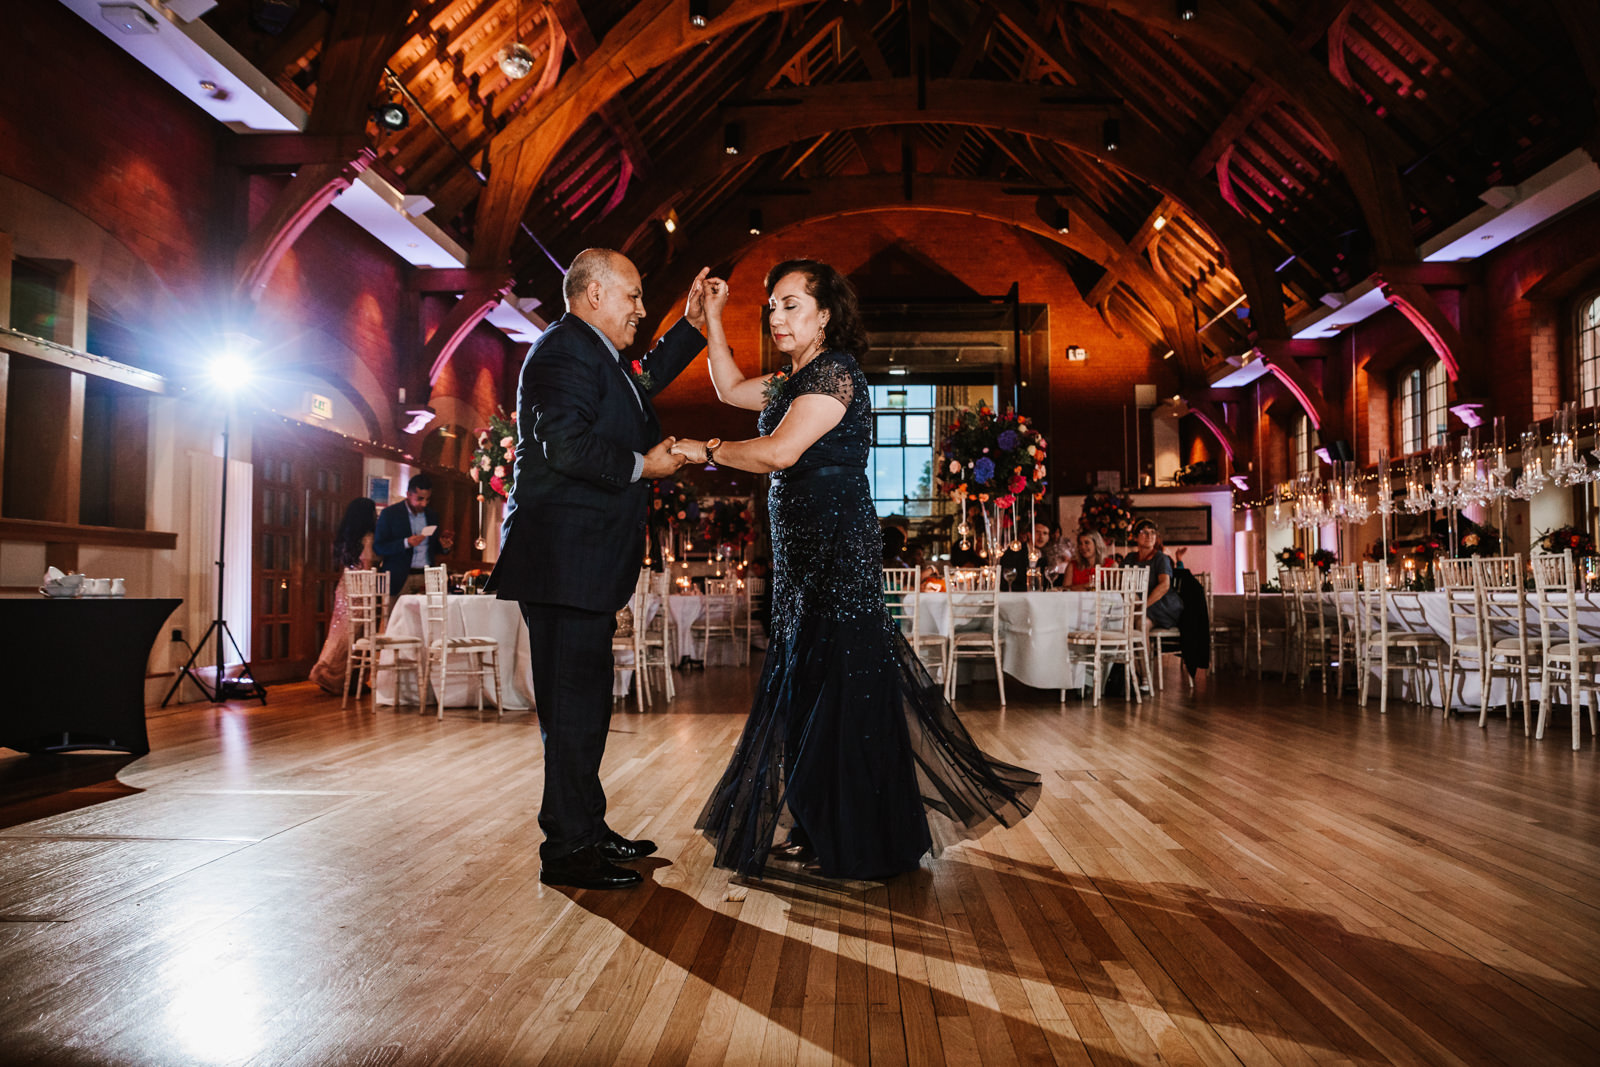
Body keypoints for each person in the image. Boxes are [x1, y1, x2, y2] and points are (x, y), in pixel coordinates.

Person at [672, 260, 1039, 881]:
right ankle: (827, 827)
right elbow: (729, 389)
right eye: (771, 306)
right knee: (814, 689)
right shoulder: (793, 378)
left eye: (791, 305)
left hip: (836, 552)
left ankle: (860, 835)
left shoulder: (835, 374)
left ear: (824, 314)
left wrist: (700, 450)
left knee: (844, 687)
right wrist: (711, 318)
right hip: (799, 556)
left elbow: (778, 452)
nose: (777, 316)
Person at [487, 248, 709, 891]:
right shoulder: (562, 352)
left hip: (579, 560)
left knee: (583, 708)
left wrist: (692, 326)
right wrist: (647, 466)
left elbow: (640, 382)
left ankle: (587, 826)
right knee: (573, 708)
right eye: (633, 296)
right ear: (593, 296)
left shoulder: (596, 354)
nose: (641, 308)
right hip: (562, 559)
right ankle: (567, 850)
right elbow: (567, 445)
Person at [308, 497, 378, 695]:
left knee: (339, 632)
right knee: (358, 634)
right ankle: (337, 676)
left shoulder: (347, 536)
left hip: (345, 585)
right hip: (362, 587)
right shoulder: (367, 537)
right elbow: (367, 565)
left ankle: (334, 674)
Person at [374, 473, 454, 608]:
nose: (424, 503)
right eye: (420, 499)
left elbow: (433, 547)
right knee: (397, 621)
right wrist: (406, 543)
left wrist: (444, 546)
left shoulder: (432, 515)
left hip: (426, 576)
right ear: (408, 494)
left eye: (427, 499)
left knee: (427, 620)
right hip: (399, 576)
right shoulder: (390, 514)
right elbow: (379, 547)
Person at [1122, 519, 1183, 628]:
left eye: (1152, 532)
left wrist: (1142, 607)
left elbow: (1164, 585)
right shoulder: (1129, 558)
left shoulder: (1161, 558)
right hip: (1137, 604)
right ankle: (1131, 645)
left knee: (1135, 621)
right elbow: (1120, 582)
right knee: (1131, 622)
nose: (1149, 536)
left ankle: (1138, 645)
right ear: (1135, 537)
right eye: (1144, 532)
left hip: (1161, 604)